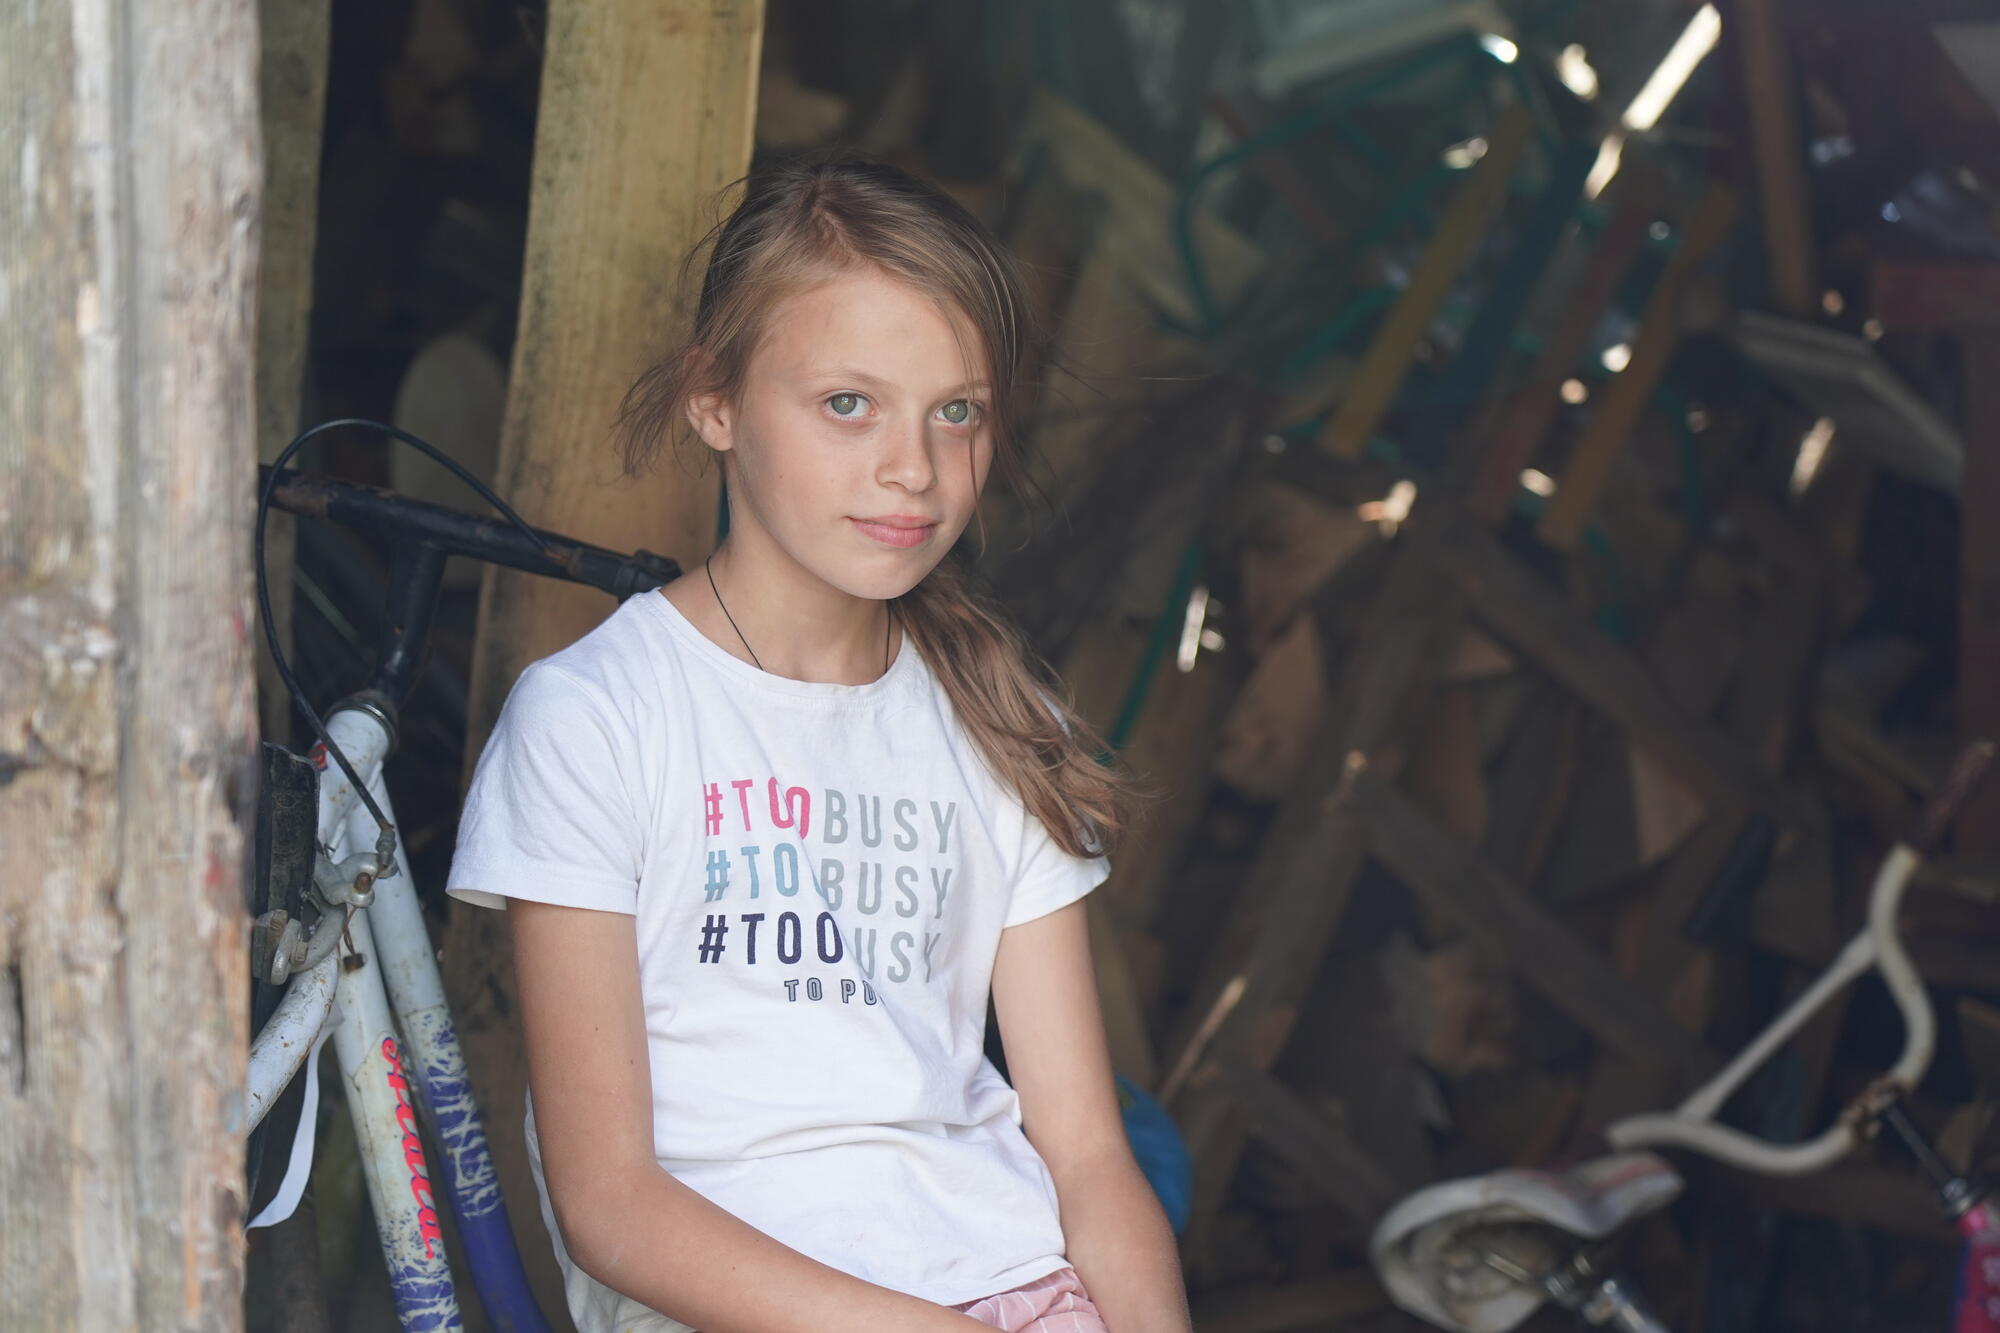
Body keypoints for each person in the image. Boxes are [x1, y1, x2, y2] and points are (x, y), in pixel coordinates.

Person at [446, 154, 1192, 1333]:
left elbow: (1091, 1158)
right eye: (849, 403)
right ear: (715, 400)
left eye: (957, 411)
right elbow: (611, 1205)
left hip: (1012, 1284)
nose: (915, 467)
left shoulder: (996, 721)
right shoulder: (597, 719)